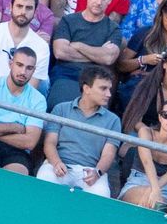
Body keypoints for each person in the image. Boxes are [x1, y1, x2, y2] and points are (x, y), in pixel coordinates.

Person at [38, 64, 120, 195]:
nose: (109, 94)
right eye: (103, 88)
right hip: (59, 164)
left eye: (110, 89)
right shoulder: (61, 109)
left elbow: (108, 154)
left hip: (92, 171)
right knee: (44, 183)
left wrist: (97, 173)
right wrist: (56, 163)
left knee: (101, 197)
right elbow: (50, 142)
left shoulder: (113, 120)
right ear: (87, 88)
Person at [120, 97, 167, 208]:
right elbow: (147, 161)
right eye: (166, 115)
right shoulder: (146, 132)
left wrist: (154, 191)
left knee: (156, 205)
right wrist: (153, 190)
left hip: (165, 187)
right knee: (149, 203)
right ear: (160, 117)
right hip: (137, 180)